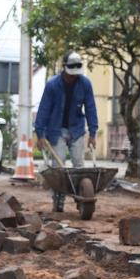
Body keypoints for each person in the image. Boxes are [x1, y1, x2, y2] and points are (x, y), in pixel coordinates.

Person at [35, 51, 98, 212]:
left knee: (79, 166)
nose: (73, 77)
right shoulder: (52, 85)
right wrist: (40, 134)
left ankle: (82, 198)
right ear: (64, 68)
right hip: (56, 131)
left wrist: (93, 133)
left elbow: (90, 108)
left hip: (77, 129)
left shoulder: (85, 84)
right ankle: (59, 198)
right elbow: (44, 110)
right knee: (59, 167)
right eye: (71, 73)